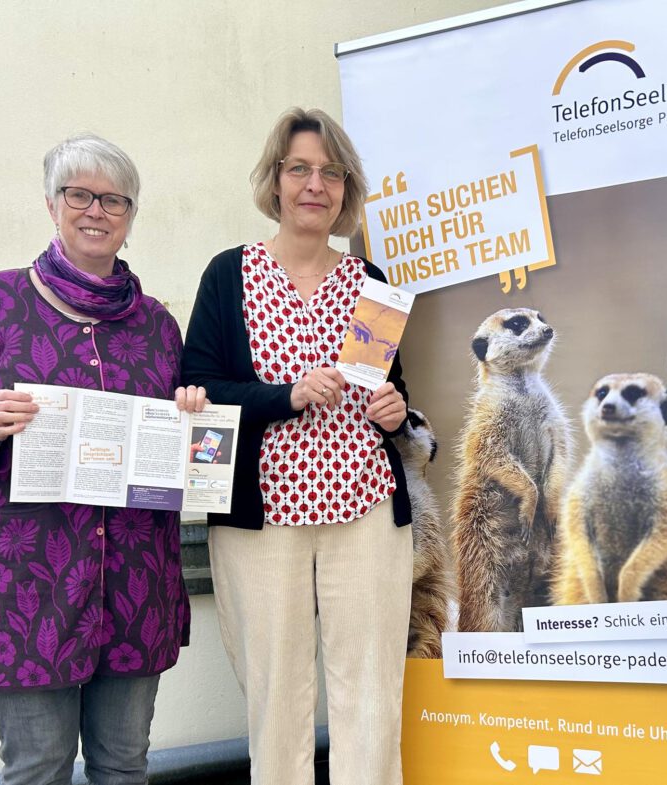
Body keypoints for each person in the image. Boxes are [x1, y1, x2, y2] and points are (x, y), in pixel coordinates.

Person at [0, 133, 206, 785]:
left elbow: (180, 442)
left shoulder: (159, 326)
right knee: (37, 768)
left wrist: (191, 412)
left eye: (115, 200)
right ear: (52, 204)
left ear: (131, 218)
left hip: (136, 584)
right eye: (80, 194)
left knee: (124, 766)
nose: (96, 211)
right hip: (27, 587)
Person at [181, 107, 412, 785]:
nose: (316, 184)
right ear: (276, 181)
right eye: (300, 169)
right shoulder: (229, 274)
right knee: (277, 696)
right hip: (264, 518)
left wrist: (396, 411)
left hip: (364, 508)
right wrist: (285, 395)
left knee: (370, 692)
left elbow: (391, 392)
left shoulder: (372, 283)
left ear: (345, 188)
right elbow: (198, 386)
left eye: (331, 172)